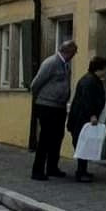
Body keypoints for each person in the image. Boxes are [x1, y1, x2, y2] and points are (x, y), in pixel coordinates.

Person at [29, 38, 77, 181]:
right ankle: (37, 171)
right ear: (68, 51)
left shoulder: (66, 65)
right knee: (45, 139)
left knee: (57, 137)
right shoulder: (51, 62)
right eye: (74, 52)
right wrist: (42, 100)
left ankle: (52, 167)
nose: (75, 55)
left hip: (59, 106)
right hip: (47, 106)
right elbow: (35, 84)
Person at [68, 56, 106, 182]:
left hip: (82, 118)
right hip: (82, 119)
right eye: (105, 69)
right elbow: (87, 100)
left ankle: (83, 171)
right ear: (99, 68)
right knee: (83, 145)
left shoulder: (91, 79)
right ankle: (81, 173)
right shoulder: (89, 81)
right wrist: (92, 115)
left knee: (84, 144)